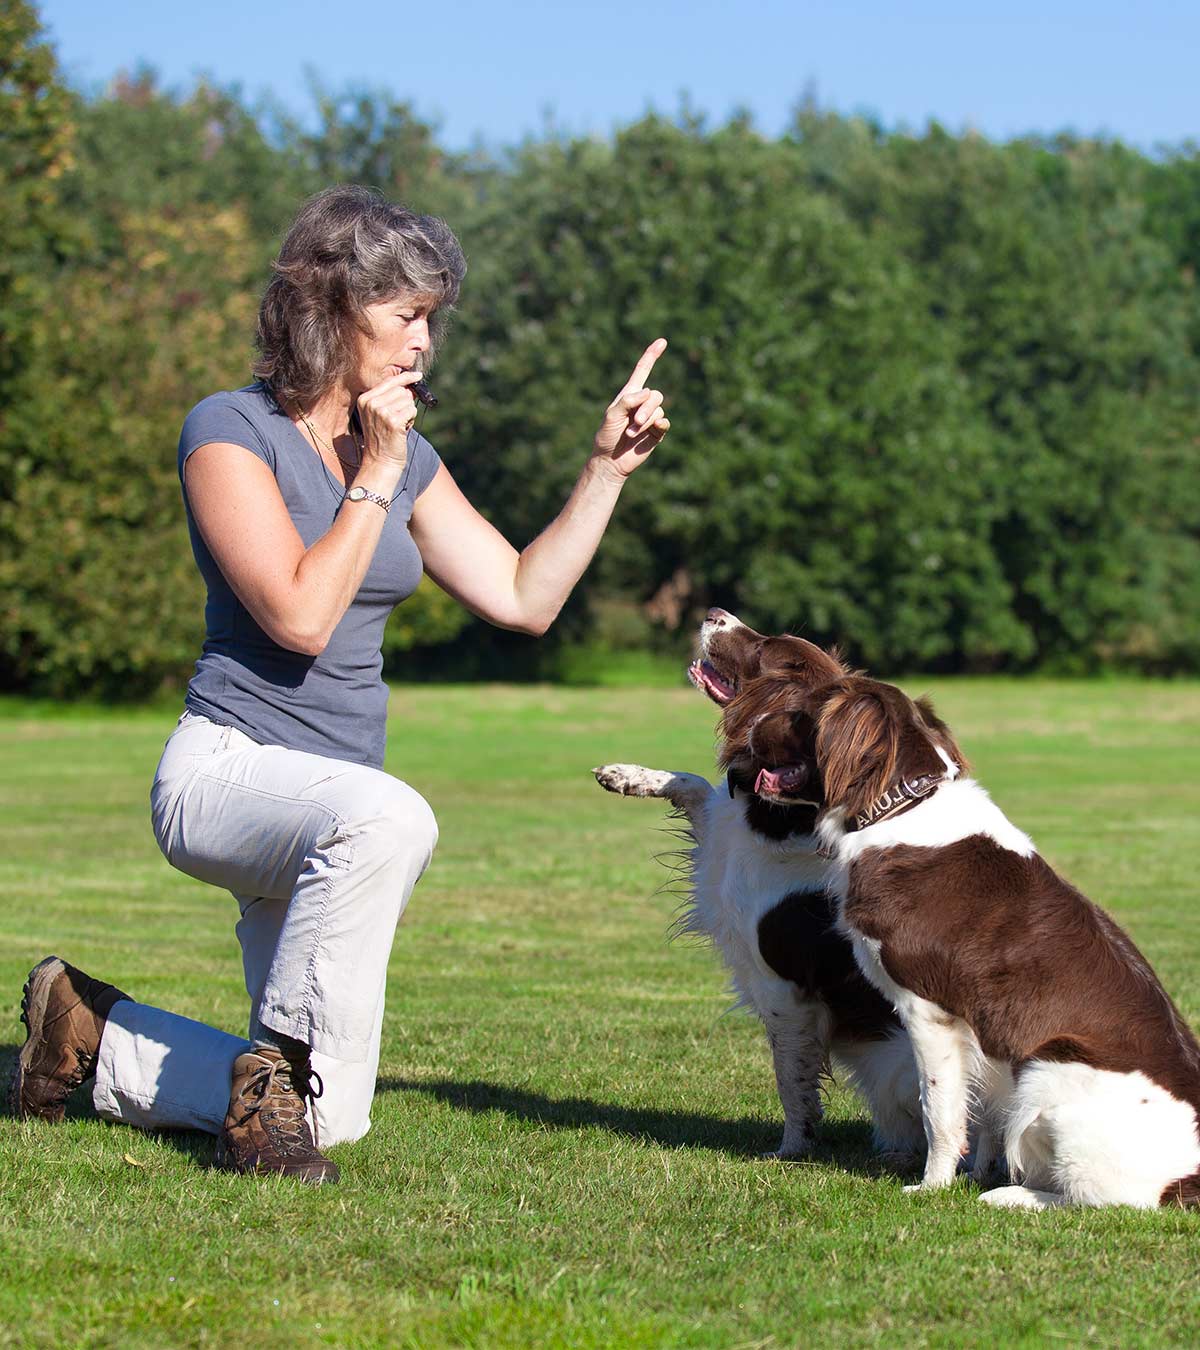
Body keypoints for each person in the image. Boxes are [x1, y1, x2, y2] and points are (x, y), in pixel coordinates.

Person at [9, 185, 669, 1184]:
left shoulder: (405, 458)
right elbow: (299, 614)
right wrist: (374, 474)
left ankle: (89, 1034)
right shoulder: (229, 432)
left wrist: (604, 473)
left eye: (433, 319)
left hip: (332, 810)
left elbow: (523, 596)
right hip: (226, 774)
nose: (425, 345)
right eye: (407, 315)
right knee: (393, 818)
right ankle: (257, 1089)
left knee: (330, 1121)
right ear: (331, 306)